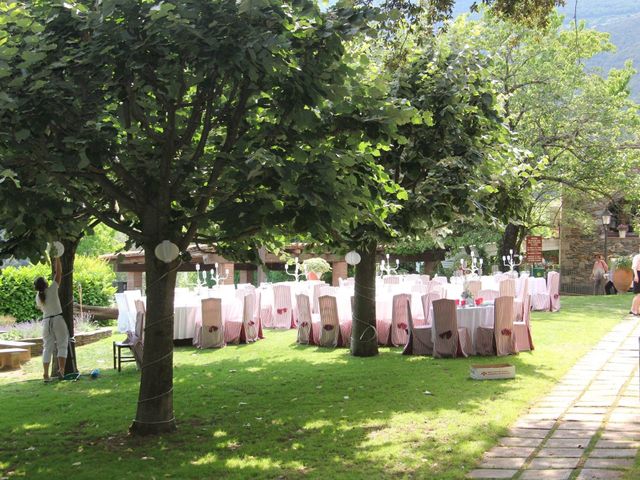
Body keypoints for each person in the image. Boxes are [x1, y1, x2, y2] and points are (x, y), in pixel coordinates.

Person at [34, 256, 69, 382]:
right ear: (46, 284)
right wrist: (58, 259)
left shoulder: (38, 297)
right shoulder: (53, 289)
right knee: (62, 345)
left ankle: (45, 374)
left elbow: (41, 307)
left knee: (47, 347)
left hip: (46, 322)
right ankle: (61, 370)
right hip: (58, 320)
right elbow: (59, 273)